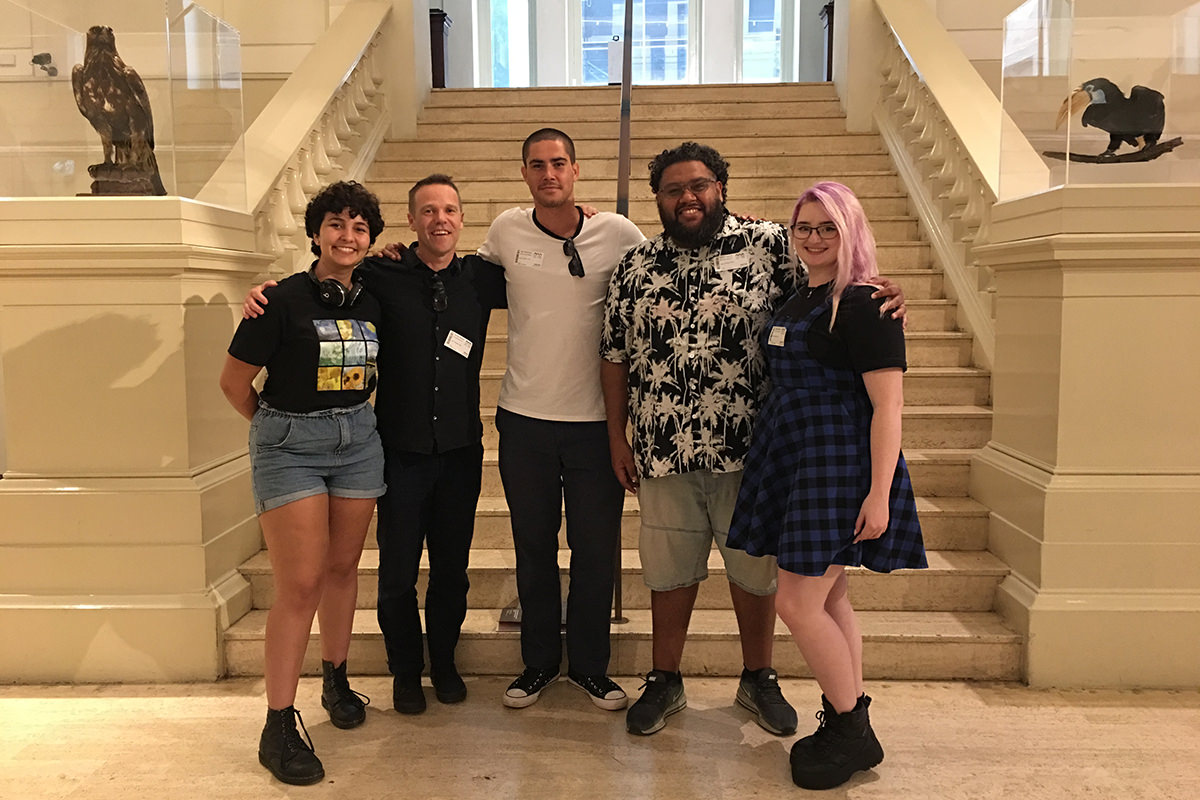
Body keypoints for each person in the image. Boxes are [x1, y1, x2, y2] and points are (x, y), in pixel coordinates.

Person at [600, 143, 905, 738]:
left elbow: (834, 288)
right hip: (664, 449)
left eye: (699, 185)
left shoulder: (770, 246)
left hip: (757, 452)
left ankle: (758, 676)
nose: (688, 197)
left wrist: (882, 291)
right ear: (657, 199)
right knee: (667, 570)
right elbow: (614, 355)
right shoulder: (635, 267)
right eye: (672, 189)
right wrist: (619, 434)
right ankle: (665, 679)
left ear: (721, 186)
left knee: (756, 573)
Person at [242, 176, 505, 716]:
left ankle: (446, 663)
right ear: (412, 222)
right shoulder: (380, 275)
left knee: (452, 568)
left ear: (462, 218)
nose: (440, 219)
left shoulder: (483, 277)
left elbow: (550, 268)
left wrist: (582, 220)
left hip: (459, 449)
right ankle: (404, 671)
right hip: (395, 448)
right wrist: (258, 293)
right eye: (428, 209)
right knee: (396, 570)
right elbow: (320, 279)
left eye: (450, 210)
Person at [725, 181, 926, 790]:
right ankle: (848, 716)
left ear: (852, 231)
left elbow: (888, 408)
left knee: (796, 603)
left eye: (827, 228)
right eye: (803, 227)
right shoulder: (799, 297)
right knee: (830, 600)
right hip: (795, 457)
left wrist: (877, 493)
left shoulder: (866, 302)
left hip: (836, 466)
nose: (813, 238)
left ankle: (851, 727)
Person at [220, 180, 387, 785]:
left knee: (344, 570)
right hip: (291, 446)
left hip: (360, 442)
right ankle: (277, 723)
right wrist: (274, 429)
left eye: (359, 227)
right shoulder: (279, 301)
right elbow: (234, 384)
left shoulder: (373, 297)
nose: (347, 236)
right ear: (315, 233)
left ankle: (337, 678)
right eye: (336, 225)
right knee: (300, 583)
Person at [477, 128, 646, 712]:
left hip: (597, 423)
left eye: (558, 163)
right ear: (524, 174)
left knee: (596, 550)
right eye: (536, 165)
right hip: (524, 419)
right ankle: (539, 663)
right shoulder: (504, 231)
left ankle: (592, 667)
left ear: (576, 170)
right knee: (533, 547)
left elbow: (667, 270)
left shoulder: (618, 233)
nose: (548, 174)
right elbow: (451, 277)